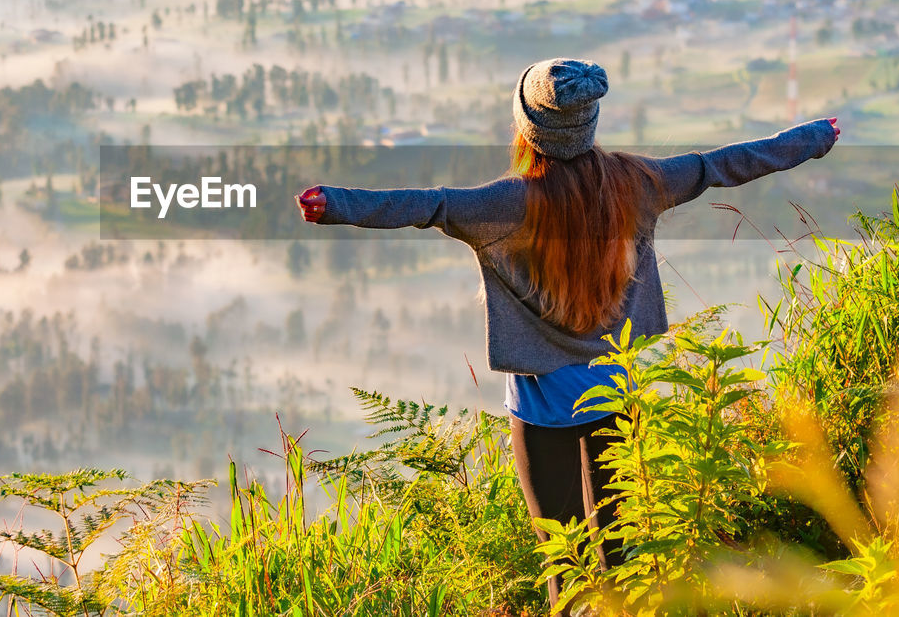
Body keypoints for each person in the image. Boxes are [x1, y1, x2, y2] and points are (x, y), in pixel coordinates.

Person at [295, 57, 840, 614]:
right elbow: (719, 166)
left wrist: (333, 203)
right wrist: (813, 138)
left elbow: (425, 204)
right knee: (620, 553)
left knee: (566, 563)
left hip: (541, 409)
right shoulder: (640, 184)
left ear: (526, 127)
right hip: (616, 393)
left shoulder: (505, 204)